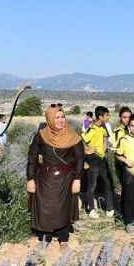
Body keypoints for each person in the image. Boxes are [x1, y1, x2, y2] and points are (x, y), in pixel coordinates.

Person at [27, 105, 84, 248]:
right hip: (44, 178)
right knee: (44, 207)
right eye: (56, 117)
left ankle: (63, 238)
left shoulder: (73, 136)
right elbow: (32, 158)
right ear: (49, 119)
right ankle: (45, 238)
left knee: (63, 208)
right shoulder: (41, 135)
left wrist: (77, 179)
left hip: (66, 178)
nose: (60, 120)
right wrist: (30, 179)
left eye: (62, 117)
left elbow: (80, 160)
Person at [81, 106, 114, 218]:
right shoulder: (91, 128)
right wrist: (87, 152)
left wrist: (104, 148)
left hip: (102, 159)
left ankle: (109, 208)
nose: (108, 117)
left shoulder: (104, 127)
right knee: (92, 184)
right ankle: (91, 210)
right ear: (100, 116)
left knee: (107, 183)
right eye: (107, 115)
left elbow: (105, 138)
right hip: (92, 159)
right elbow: (83, 139)